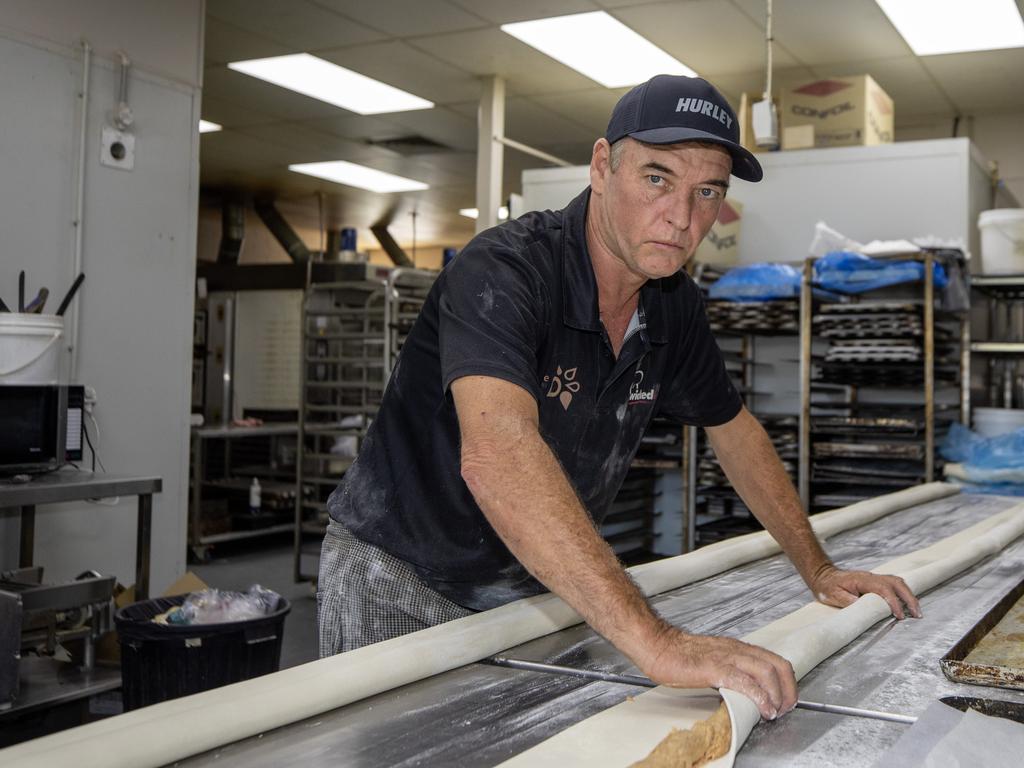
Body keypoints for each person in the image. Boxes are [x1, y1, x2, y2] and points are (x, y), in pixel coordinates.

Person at [317, 74, 921, 721]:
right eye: (657, 178)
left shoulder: (672, 305)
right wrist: (658, 642)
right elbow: (497, 455)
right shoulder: (505, 271)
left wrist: (819, 571)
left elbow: (735, 431)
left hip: (530, 589)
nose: (683, 217)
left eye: (707, 191)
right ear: (603, 166)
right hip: (401, 579)